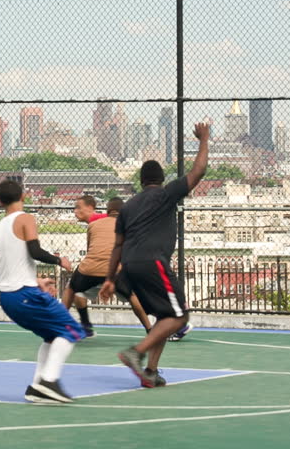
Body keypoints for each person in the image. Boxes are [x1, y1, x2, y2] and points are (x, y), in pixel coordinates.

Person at [101, 122, 210, 388]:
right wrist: (204, 139)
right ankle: (135, 353)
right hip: (153, 263)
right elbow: (198, 172)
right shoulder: (165, 195)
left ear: (141, 181)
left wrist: (109, 279)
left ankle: (150, 371)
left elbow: (117, 245)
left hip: (128, 267)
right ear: (161, 180)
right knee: (179, 317)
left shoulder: (127, 206)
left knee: (163, 316)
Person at [0, 179, 83, 404]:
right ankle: (48, 382)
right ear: (23, 196)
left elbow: (11, 263)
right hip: (24, 293)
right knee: (71, 330)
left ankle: (37, 386)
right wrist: (58, 260)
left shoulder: (0, 227)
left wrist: (36, 280)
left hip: (8, 297)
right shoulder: (25, 218)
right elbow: (34, 251)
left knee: (52, 335)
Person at [64, 197, 152, 338]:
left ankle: (59, 324)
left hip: (91, 268)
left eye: (78, 207)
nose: (76, 211)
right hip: (115, 269)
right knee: (132, 296)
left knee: (71, 288)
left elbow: (90, 251)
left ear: (106, 210)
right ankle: (149, 328)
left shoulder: (93, 225)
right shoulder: (128, 225)